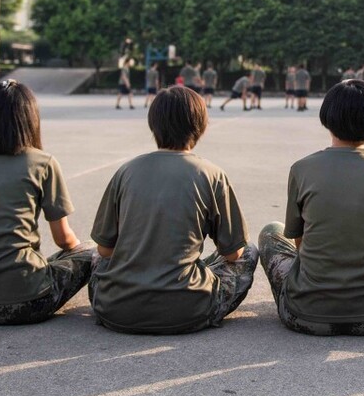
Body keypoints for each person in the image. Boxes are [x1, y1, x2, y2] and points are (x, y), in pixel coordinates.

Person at [258, 80, 364, 336]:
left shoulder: (302, 168)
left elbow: (299, 242)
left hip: (305, 315)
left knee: (271, 231)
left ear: (328, 117)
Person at [89, 86, 256, 334]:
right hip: (188, 311)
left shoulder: (126, 171)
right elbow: (233, 254)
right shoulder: (212, 174)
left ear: (153, 125)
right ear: (200, 126)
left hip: (116, 310)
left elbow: (104, 250)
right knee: (249, 251)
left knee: (89, 254)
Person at [0, 80, 93, 325]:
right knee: (90, 253)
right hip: (26, 303)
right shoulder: (43, 163)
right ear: (30, 119)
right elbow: (63, 239)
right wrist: (79, 252)